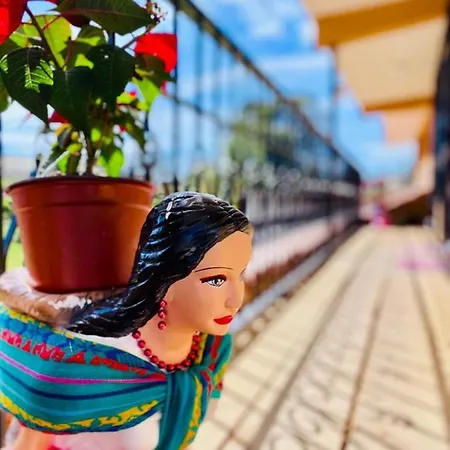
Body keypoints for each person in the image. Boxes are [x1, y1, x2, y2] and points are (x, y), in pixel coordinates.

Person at [0, 191, 253, 450]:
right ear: (165, 281)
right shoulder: (87, 360)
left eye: (241, 274)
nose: (235, 299)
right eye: (216, 280)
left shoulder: (210, 350)